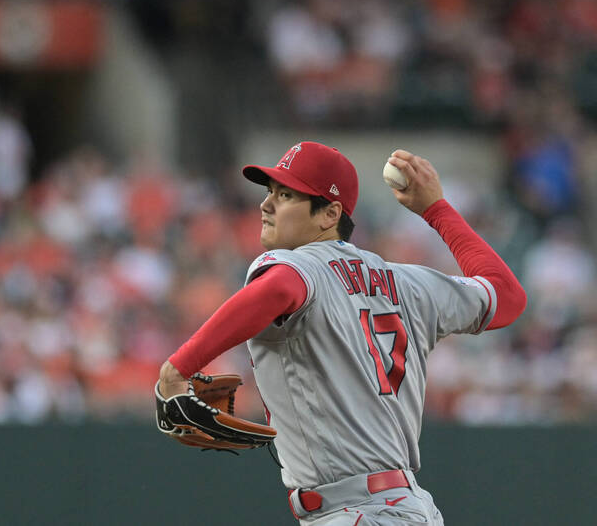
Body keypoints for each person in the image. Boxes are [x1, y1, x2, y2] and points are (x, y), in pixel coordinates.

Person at [158, 141, 526, 525]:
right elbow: (507, 295)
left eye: (285, 195)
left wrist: (177, 368)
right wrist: (436, 210)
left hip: (358, 513)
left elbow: (280, 289)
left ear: (329, 214)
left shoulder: (297, 265)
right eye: (269, 192)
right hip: (405, 508)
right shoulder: (409, 283)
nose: (266, 205)